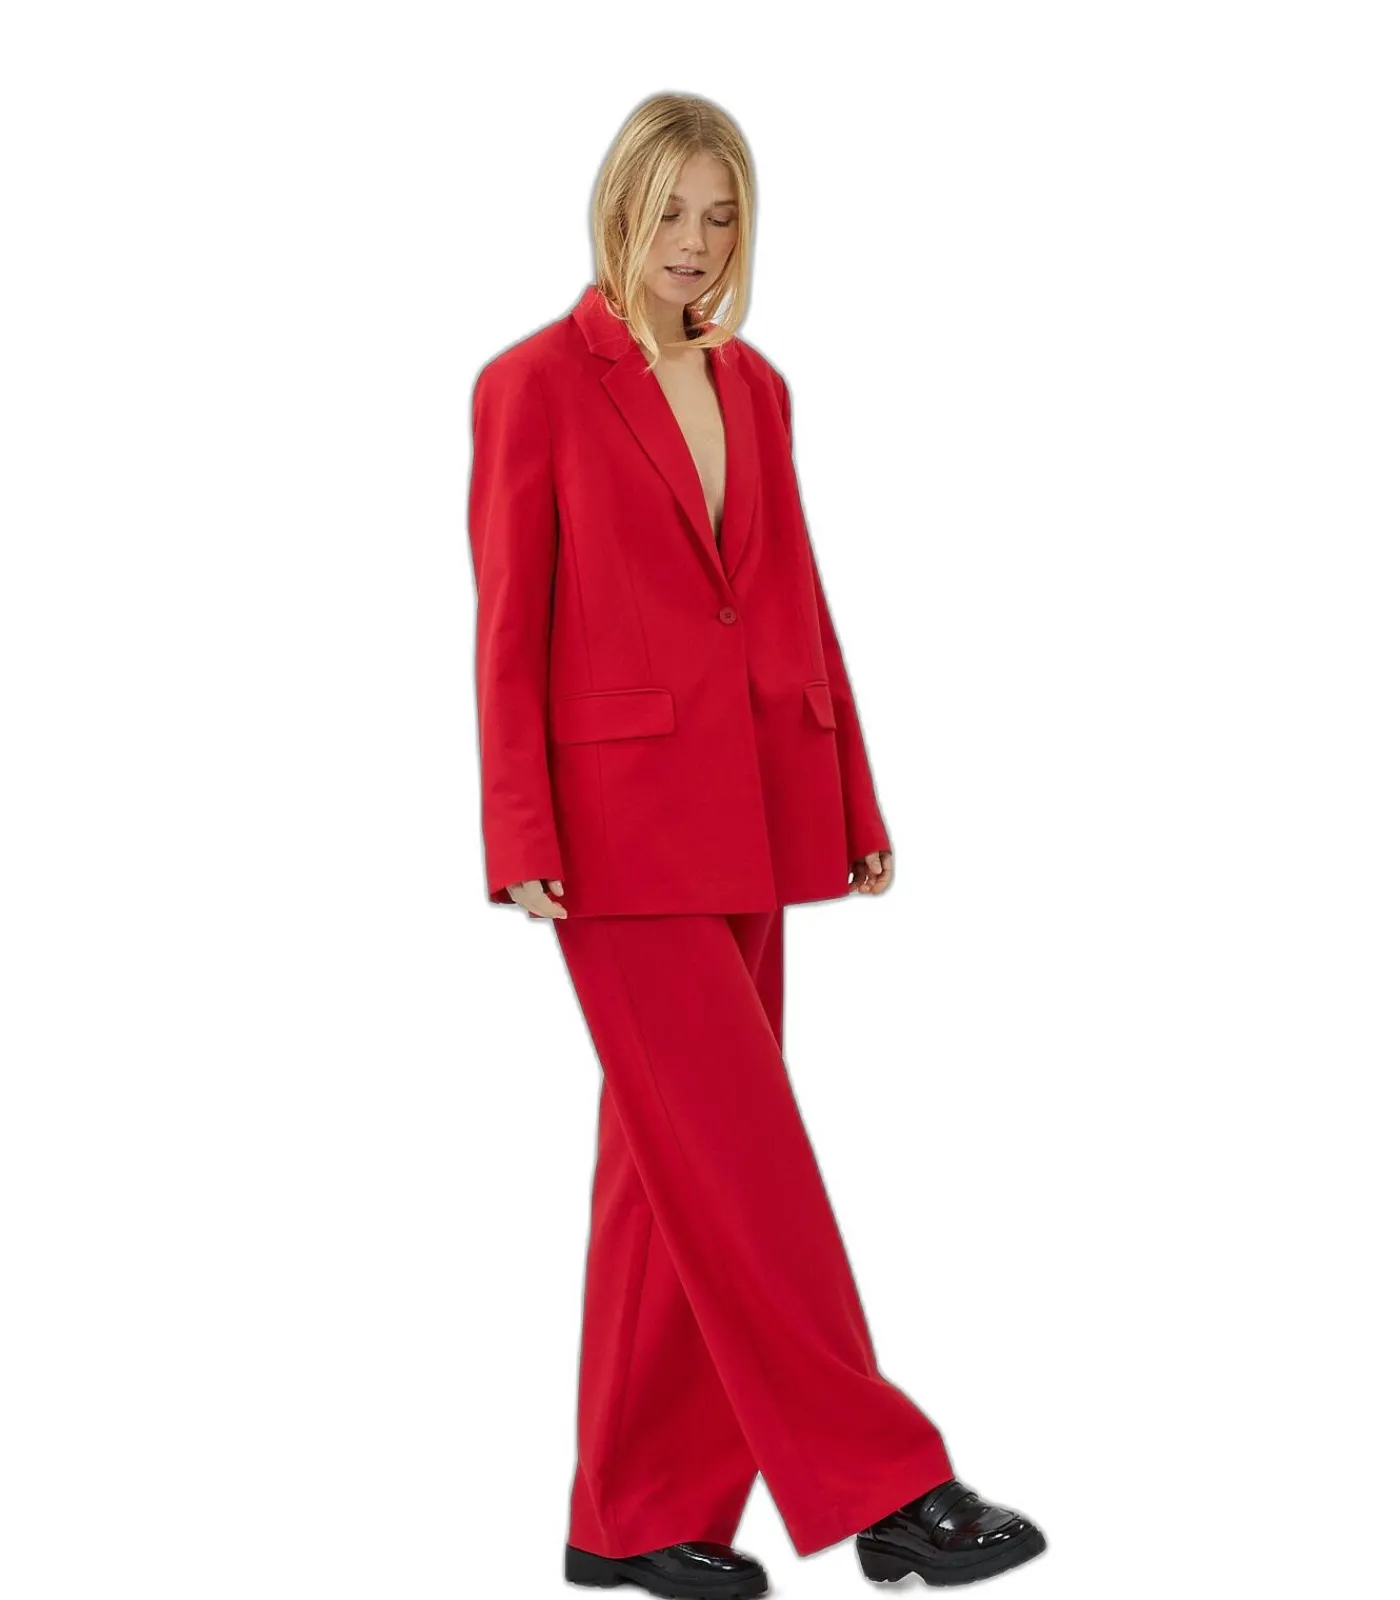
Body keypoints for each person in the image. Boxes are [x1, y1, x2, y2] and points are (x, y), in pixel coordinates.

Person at [465, 93, 1047, 1597]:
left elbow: (790, 596)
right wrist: (518, 827)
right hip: (614, 843)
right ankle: (887, 1483)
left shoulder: (758, 384)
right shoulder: (532, 385)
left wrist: (850, 796)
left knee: (668, 1175)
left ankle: (628, 1516)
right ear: (620, 207)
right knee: (744, 1160)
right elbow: (508, 623)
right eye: (671, 211)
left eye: (721, 216)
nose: (696, 243)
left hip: (750, 811)